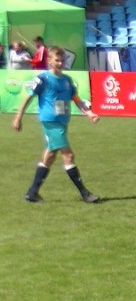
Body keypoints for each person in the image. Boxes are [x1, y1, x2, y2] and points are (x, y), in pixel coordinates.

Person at [12, 46, 101, 204]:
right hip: (51, 122)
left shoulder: (67, 80)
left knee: (51, 156)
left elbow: (76, 100)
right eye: (57, 60)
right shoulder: (43, 79)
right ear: (50, 61)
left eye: (62, 60)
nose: (60, 63)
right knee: (68, 155)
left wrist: (89, 113)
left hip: (62, 122)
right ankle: (85, 193)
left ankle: (32, 192)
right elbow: (28, 97)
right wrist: (18, 117)